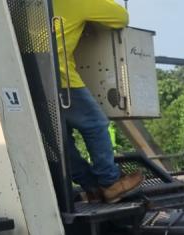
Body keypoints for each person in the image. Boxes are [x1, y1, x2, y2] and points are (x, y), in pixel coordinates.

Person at [53, 0, 144, 204]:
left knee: (61, 138)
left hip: (33, 80)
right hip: (62, 79)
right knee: (95, 124)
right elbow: (121, 17)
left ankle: (90, 186)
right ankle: (110, 182)